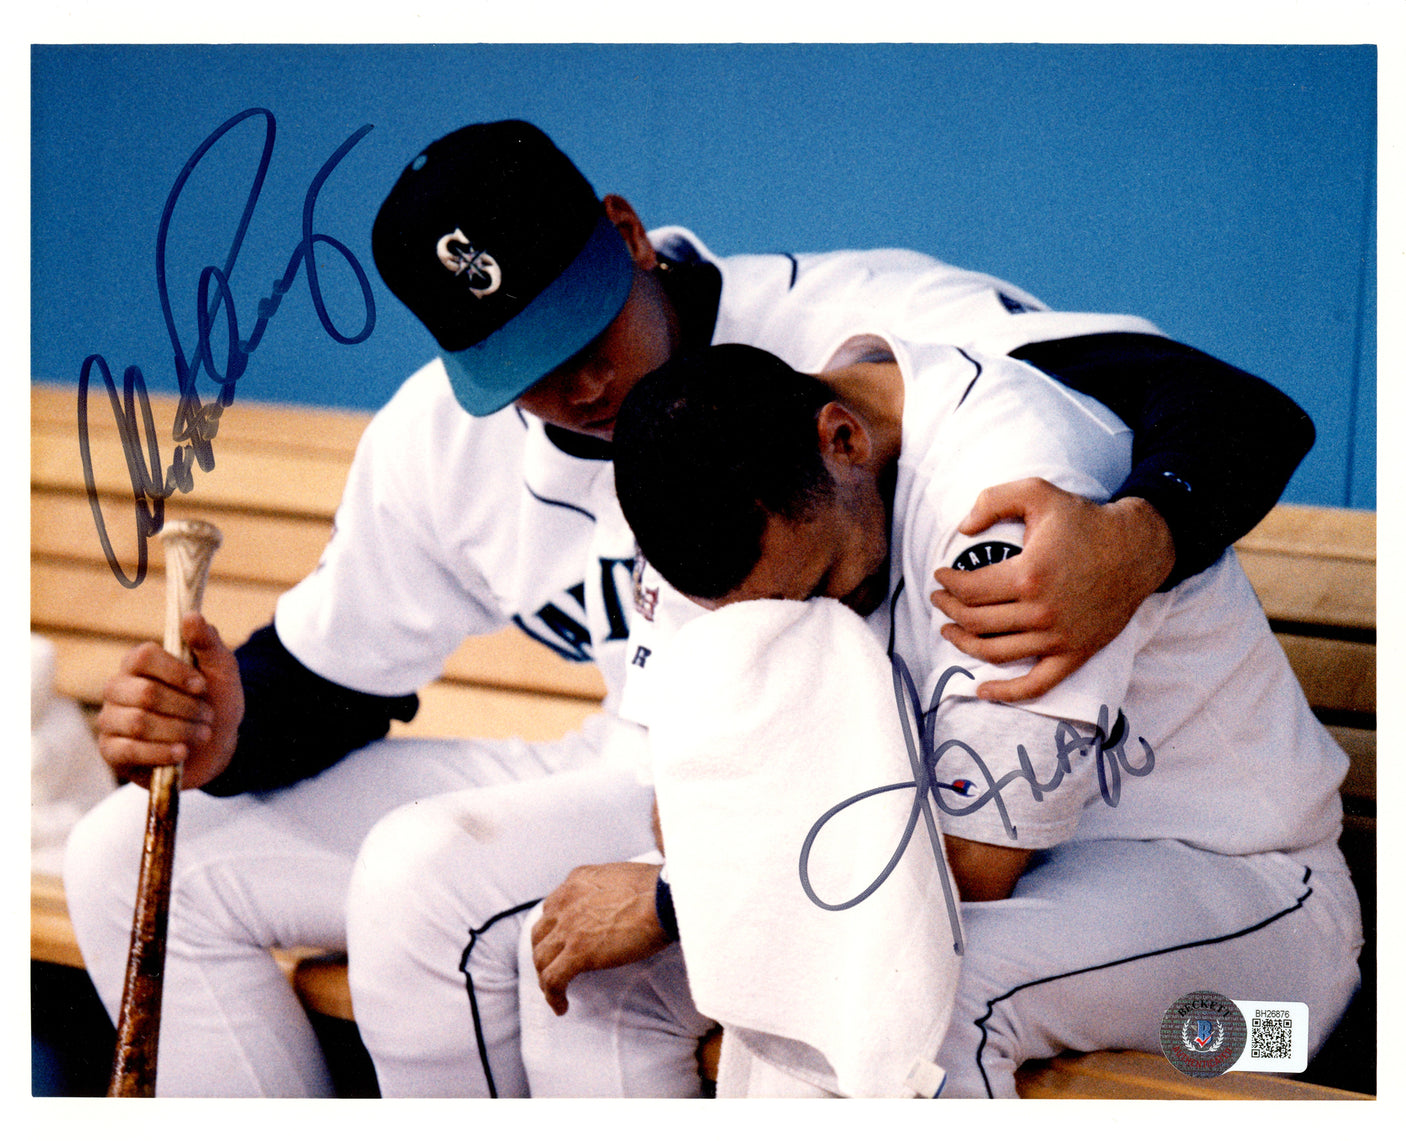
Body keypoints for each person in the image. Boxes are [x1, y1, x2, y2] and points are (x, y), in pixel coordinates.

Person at [64, 118, 1316, 1097]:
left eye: (579, 327)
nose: (576, 385)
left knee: (875, 997)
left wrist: (1137, 532)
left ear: (623, 232)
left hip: (1179, 896)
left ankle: (1281, 1044)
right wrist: (226, 726)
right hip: (819, 809)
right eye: (523, 369)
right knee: (123, 853)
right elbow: (333, 672)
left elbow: (1217, 406)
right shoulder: (452, 446)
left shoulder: (912, 390)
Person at [533, 341, 1361, 1098]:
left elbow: (972, 867)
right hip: (1055, 918)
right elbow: (689, 812)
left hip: (1259, 959)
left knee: (915, 1003)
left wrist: (688, 900)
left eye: (822, 587)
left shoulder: (1009, 497)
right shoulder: (729, 499)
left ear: (844, 441)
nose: (807, 621)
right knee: (617, 983)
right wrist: (700, 887)